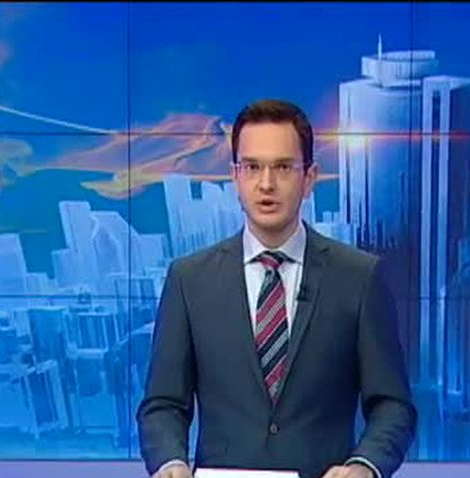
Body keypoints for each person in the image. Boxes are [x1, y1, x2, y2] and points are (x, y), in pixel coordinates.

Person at [136, 99, 417, 478]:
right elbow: (163, 404)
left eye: (283, 167)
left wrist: (364, 466)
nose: (266, 184)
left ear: (310, 177)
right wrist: (170, 462)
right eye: (252, 167)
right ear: (235, 177)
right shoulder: (189, 280)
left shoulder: (359, 277)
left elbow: (393, 405)